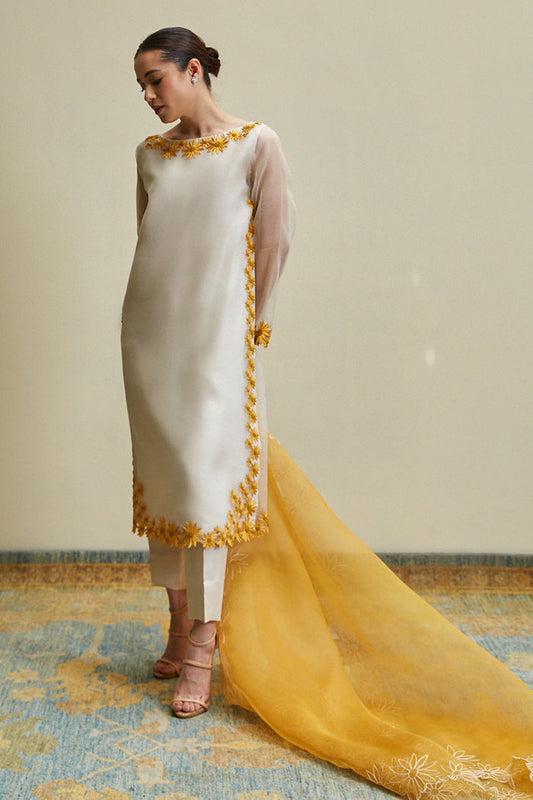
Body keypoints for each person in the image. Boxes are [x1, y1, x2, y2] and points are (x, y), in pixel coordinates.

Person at [121, 27, 533, 799]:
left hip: (215, 342)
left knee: (208, 490)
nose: (147, 95)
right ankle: (175, 624)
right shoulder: (149, 155)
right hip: (148, 336)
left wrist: (253, 322)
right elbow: (148, 242)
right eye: (139, 84)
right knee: (163, 482)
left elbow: (275, 238)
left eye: (156, 79)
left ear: (193, 69)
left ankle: (205, 647)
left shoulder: (255, 144)